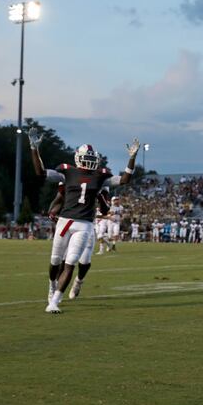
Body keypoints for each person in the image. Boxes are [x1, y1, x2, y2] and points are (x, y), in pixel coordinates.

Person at [29, 127, 139, 313]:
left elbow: (125, 179)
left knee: (71, 261)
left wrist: (132, 157)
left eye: (91, 159)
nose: (89, 162)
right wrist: (34, 148)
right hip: (65, 222)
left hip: (85, 225)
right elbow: (40, 172)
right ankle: (51, 286)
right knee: (56, 261)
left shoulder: (101, 176)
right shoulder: (67, 172)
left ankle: (55, 301)